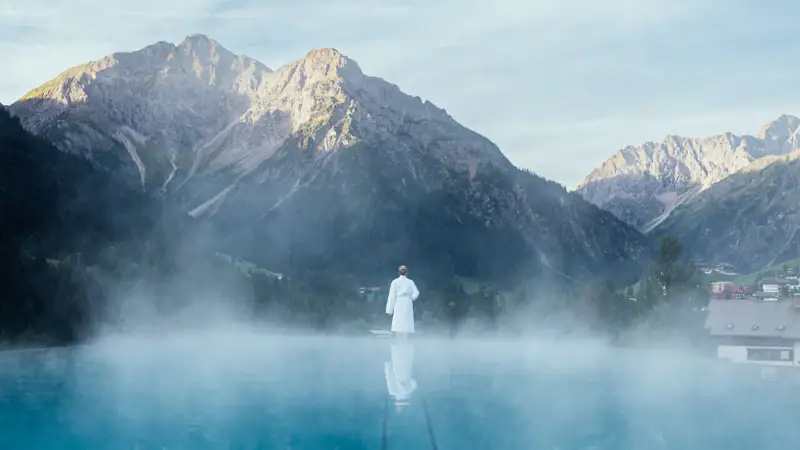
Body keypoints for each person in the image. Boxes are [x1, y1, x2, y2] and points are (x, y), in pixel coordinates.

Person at [385, 265, 420, 338]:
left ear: (398, 273)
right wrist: (411, 298)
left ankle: (400, 339)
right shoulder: (410, 282)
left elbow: (392, 297)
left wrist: (389, 310)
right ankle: (404, 339)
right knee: (404, 322)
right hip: (406, 302)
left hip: (399, 302)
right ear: (407, 273)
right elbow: (416, 293)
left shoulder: (395, 282)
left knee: (400, 322)